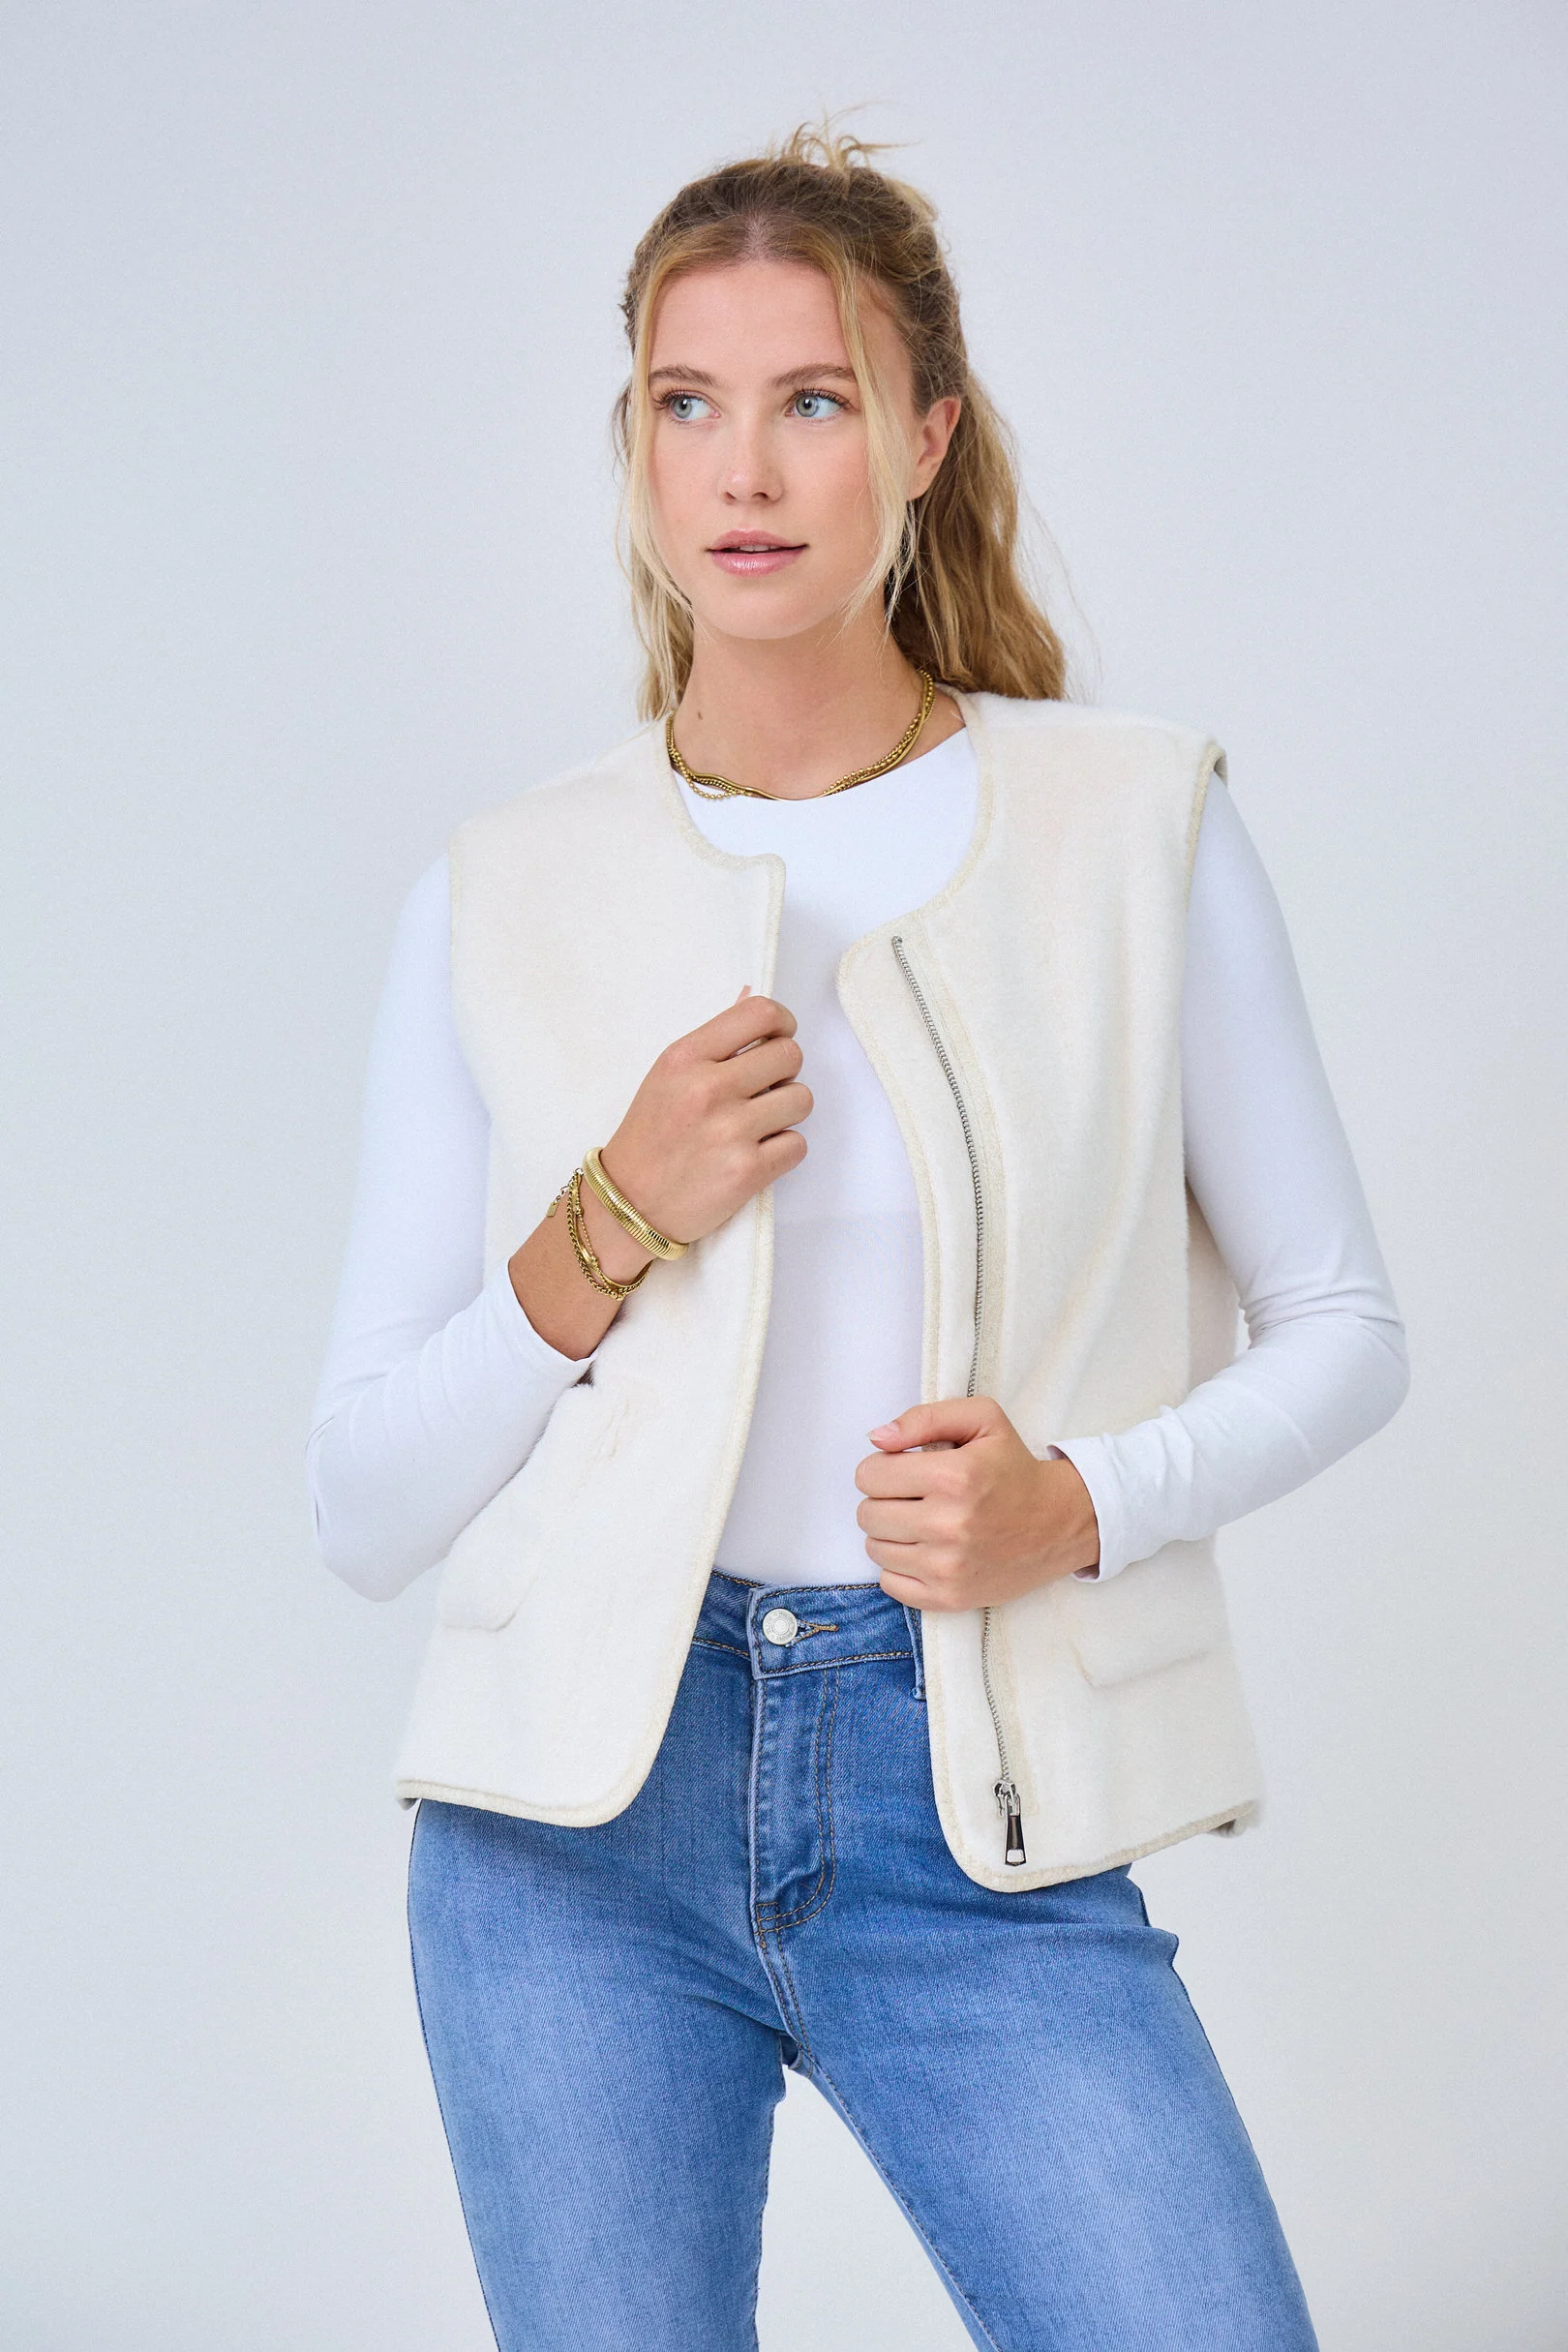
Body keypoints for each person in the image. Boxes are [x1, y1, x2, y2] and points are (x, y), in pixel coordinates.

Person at [309, 126, 1407, 2352]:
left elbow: (1344, 1325)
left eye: (812, 398)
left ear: (925, 435)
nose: (745, 466)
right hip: (571, 1841)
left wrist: (1077, 1502)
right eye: (686, 402)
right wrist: (613, 1213)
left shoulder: (1132, 828)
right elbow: (363, 1503)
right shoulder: (502, 891)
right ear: (635, 447)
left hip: (974, 1806)